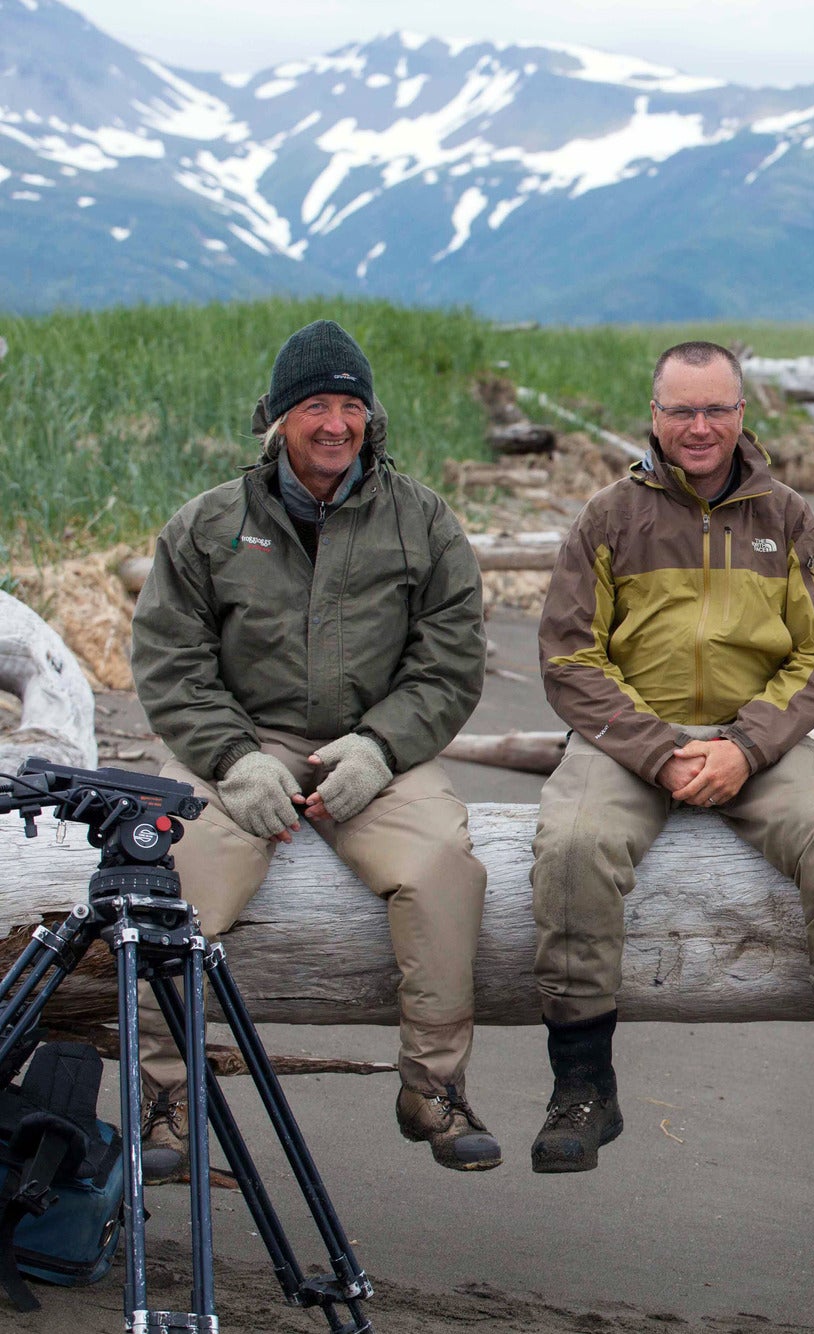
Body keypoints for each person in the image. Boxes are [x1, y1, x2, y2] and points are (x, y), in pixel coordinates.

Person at [529, 341, 814, 1173]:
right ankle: (582, 1088)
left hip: (760, 740)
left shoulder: (786, 517)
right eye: (681, 411)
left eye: (716, 410)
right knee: (571, 848)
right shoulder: (607, 518)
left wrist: (747, 745)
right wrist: (660, 752)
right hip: (628, 739)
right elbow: (569, 659)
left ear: (742, 414)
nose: (699, 428)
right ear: (654, 417)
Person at [129, 319, 494, 1178]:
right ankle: (167, 1101)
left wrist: (379, 747)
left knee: (443, 866)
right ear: (278, 420)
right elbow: (170, 662)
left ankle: (433, 1090)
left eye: (351, 405)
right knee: (167, 881)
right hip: (246, 741)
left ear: (372, 418)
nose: (336, 423)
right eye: (316, 406)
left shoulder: (424, 522)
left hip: (381, 747)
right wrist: (231, 758)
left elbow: (448, 662)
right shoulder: (208, 524)